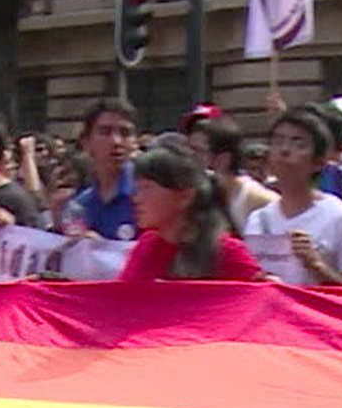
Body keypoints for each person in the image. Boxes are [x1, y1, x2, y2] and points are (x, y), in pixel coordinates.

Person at [243, 109, 342, 287]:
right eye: (277, 142)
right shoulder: (257, 219)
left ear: (318, 162)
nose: (285, 150)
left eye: (298, 144)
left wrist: (318, 267)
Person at [120, 147, 264, 282]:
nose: (136, 198)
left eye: (147, 187)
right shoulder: (145, 247)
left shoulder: (226, 252)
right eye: (137, 188)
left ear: (185, 197)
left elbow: (266, 295)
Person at [70, 98, 140, 240]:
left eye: (125, 133)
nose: (116, 141)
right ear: (86, 142)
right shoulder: (80, 205)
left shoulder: (146, 198)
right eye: (105, 132)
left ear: (135, 142)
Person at [190, 114, 274, 230]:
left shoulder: (256, 198)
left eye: (198, 151)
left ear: (223, 159)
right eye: (189, 149)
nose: (190, 157)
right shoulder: (196, 195)